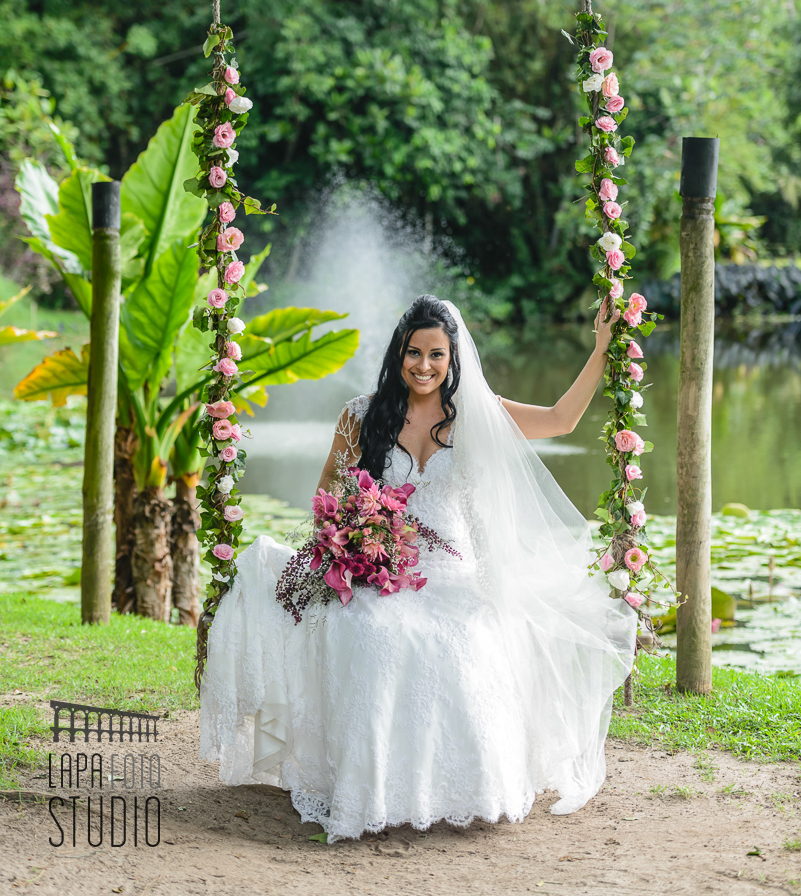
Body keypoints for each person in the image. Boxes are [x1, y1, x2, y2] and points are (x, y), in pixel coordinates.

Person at [200, 295, 636, 842]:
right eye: (414, 353)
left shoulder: (476, 416)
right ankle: (370, 791)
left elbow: (560, 419)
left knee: (463, 642)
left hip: (456, 576)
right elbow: (324, 502)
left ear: (453, 360)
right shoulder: (361, 415)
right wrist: (356, 540)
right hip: (380, 574)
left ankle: (461, 790)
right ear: (398, 354)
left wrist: (600, 349)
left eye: (436, 355)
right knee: (371, 631)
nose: (424, 366)